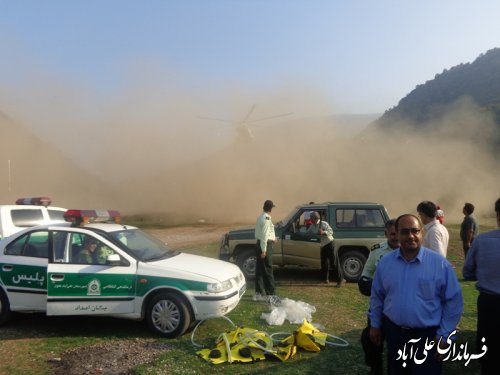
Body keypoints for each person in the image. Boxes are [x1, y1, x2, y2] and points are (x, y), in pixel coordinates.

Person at [369, 214, 463, 375]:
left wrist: (445, 336)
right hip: (395, 335)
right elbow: (377, 295)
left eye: (415, 231)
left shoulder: (439, 264)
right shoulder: (386, 263)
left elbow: (453, 302)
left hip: (428, 338)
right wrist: (375, 324)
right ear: (397, 234)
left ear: (422, 233)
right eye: (404, 232)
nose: (410, 236)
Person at [462, 197, 500, 375]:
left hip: (490, 303)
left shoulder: (483, 241)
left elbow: (468, 272)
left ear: (498, 216)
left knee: (488, 342)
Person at [358, 219, 399, 375]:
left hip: (399, 310)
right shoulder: (377, 251)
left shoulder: (411, 251)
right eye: (392, 234)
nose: (396, 238)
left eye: (398, 233)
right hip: (379, 307)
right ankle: (375, 369)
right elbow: (365, 276)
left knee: (396, 347)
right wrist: (374, 288)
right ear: (386, 234)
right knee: (370, 340)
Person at [306, 211, 344, 287]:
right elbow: (308, 233)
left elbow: (331, 232)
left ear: (315, 218)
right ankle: (325, 279)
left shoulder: (324, 224)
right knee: (324, 263)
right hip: (322, 245)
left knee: (334, 263)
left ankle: (340, 280)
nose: (310, 219)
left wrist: (323, 232)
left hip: (330, 244)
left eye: (311, 217)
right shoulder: (312, 226)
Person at [254, 199, 277, 301]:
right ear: (270, 208)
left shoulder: (260, 217)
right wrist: (264, 250)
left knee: (259, 270)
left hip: (260, 244)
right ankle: (271, 294)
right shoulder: (267, 218)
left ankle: (258, 292)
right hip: (265, 245)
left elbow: (264, 234)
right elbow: (264, 235)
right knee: (268, 270)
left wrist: (273, 238)